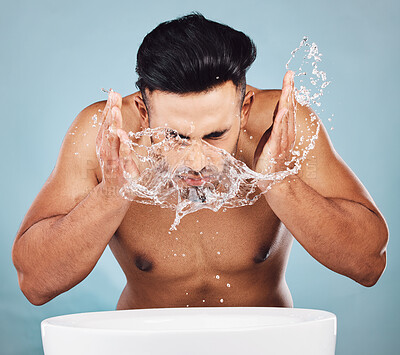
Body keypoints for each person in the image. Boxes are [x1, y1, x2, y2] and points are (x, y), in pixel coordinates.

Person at [12, 13, 388, 309]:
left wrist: (281, 183)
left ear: (244, 109)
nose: (196, 161)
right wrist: (111, 195)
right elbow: (34, 283)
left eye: (215, 135)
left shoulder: (284, 126)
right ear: (143, 112)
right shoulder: (105, 135)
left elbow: (369, 263)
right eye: (175, 136)